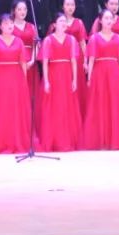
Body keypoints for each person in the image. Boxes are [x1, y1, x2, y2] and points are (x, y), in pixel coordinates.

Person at [81, 9, 119, 150]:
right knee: (100, 105)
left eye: (111, 18)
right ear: (100, 20)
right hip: (99, 74)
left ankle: (115, 139)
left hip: (115, 74)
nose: (109, 21)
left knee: (115, 105)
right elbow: (91, 60)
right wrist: (89, 78)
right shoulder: (94, 38)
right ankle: (101, 139)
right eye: (106, 18)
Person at [0, 14, 31, 153]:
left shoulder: (19, 41)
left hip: (16, 78)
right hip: (0, 78)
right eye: (6, 23)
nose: (9, 25)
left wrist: (24, 80)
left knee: (16, 109)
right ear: (0, 26)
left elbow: (23, 62)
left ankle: (16, 140)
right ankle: (1, 142)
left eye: (11, 23)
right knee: (2, 109)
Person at [39, 13, 82, 152]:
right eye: (61, 21)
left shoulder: (72, 40)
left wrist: (74, 79)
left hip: (67, 75)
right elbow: (45, 62)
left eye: (65, 21)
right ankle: (54, 140)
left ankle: (68, 140)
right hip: (53, 75)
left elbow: (74, 61)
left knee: (67, 106)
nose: (64, 23)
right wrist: (46, 81)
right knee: (54, 107)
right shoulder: (48, 40)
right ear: (54, 24)